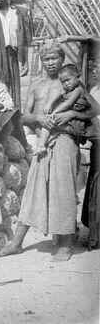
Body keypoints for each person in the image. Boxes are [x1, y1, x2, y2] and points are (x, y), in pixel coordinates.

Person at [0, 43, 100, 262]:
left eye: (54, 58)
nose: (50, 62)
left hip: (65, 139)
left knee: (63, 191)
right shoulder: (36, 85)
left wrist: (73, 111)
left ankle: (64, 244)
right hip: (42, 143)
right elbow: (24, 116)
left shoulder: (72, 84)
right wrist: (38, 118)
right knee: (33, 190)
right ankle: (17, 242)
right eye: (46, 59)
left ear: (62, 59)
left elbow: (94, 109)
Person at [36, 63, 94, 155]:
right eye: (63, 81)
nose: (66, 84)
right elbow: (58, 93)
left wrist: (54, 112)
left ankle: (42, 144)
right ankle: (43, 142)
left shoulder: (78, 89)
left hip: (77, 125)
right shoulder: (68, 89)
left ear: (77, 77)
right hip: (70, 122)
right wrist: (49, 104)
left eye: (68, 80)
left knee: (50, 123)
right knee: (49, 123)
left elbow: (68, 103)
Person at [82, 62, 100, 250]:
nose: (95, 70)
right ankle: (94, 235)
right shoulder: (94, 90)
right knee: (96, 188)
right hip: (98, 144)